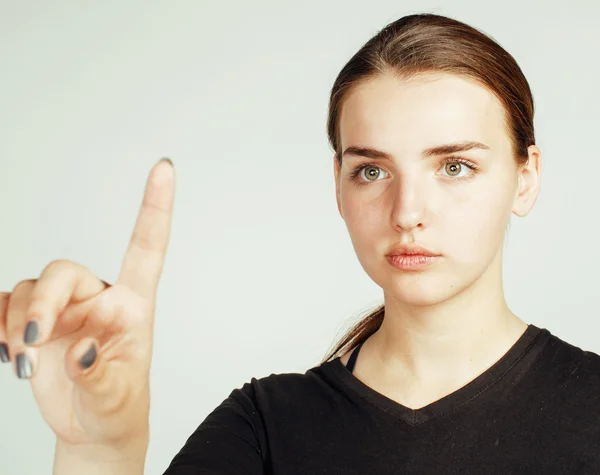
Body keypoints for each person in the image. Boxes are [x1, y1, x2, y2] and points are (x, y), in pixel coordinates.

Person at [1, 12, 599, 474]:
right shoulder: (264, 429)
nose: (408, 212)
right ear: (338, 187)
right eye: (372, 170)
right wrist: (103, 450)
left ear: (527, 178)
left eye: (455, 166)